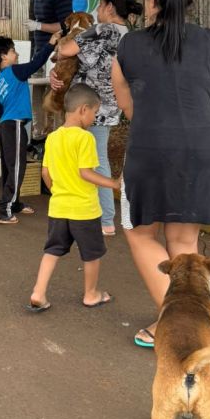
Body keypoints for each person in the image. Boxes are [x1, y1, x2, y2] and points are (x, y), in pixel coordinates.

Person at [111, 0, 210, 348]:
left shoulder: (127, 47)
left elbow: (129, 108)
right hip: (203, 151)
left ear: (151, 0)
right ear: (189, 1)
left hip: (149, 151)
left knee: (140, 233)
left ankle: (177, 322)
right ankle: (194, 325)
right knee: (184, 241)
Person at [49, 0, 143, 236]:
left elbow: (66, 49)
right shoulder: (129, 34)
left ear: (109, 7)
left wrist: (59, 50)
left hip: (85, 107)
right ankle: (98, 216)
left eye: (100, 5)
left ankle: (103, 218)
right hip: (111, 107)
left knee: (89, 160)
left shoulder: (102, 29)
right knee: (94, 158)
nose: (98, 10)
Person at [26, 83, 122, 312]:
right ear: (83, 110)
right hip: (84, 209)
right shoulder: (85, 138)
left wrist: (57, 192)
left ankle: (38, 292)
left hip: (59, 207)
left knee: (52, 250)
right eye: (94, 113)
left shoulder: (53, 138)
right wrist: (114, 184)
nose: (94, 118)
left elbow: (45, 173)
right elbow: (85, 173)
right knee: (91, 254)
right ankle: (91, 294)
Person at [0, 30, 60, 224]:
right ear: (4, 57)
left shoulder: (1, 80)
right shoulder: (14, 71)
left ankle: (14, 203)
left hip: (6, 125)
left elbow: (0, 108)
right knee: (17, 167)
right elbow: (36, 63)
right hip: (14, 125)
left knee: (11, 166)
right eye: (13, 51)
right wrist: (51, 43)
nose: (16, 54)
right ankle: (5, 209)